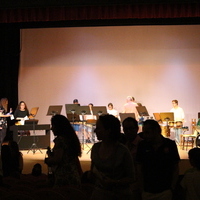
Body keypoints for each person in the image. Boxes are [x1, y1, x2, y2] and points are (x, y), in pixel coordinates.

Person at [90, 114, 135, 200]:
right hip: (99, 194)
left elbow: (131, 177)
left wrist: (114, 182)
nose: (95, 130)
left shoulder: (122, 151)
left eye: (99, 128)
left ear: (108, 130)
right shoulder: (95, 148)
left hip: (119, 195)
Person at [136, 119, 180, 200]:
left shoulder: (170, 144)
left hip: (165, 190)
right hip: (147, 190)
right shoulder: (142, 145)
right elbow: (139, 169)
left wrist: (171, 189)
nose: (144, 135)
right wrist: (142, 190)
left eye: (147, 132)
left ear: (156, 130)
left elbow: (175, 168)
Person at [44, 114, 82, 188]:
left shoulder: (60, 140)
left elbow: (57, 159)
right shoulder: (70, 139)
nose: (52, 128)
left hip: (64, 177)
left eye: (53, 125)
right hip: (73, 175)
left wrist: (48, 160)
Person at [122, 117, 143, 200]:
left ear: (137, 129)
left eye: (131, 128)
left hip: (139, 184)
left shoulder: (143, 145)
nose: (128, 131)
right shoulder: (123, 144)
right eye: (126, 129)